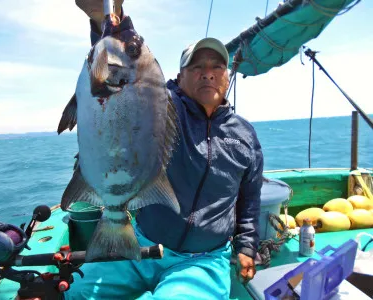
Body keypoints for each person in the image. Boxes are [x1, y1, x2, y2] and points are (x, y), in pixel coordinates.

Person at [66, 1, 264, 299]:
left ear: (227, 75)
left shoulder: (245, 135)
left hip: (203, 260)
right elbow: (119, 80)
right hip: (142, 243)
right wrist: (104, 24)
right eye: (196, 67)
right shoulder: (162, 105)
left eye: (216, 67)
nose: (207, 73)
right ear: (180, 77)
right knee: (79, 294)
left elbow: (249, 197)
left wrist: (247, 245)